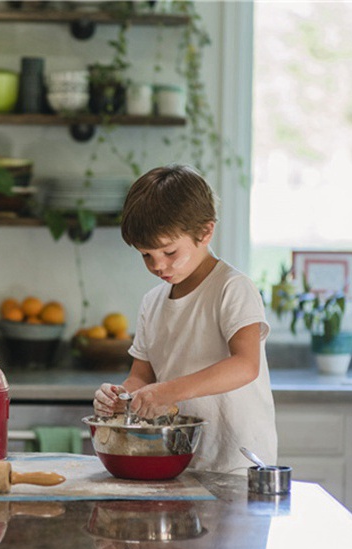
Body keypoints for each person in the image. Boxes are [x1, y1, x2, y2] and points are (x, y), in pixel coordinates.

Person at [93, 164, 277, 473]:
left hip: (238, 463)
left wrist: (169, 391)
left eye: (169, 252)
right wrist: (121, 397)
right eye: (146, 256)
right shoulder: (152, 303)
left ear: (205, 232)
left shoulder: (231, 288)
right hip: (181, 464)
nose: (158, 266)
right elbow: (142, 377)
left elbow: (246, 365)